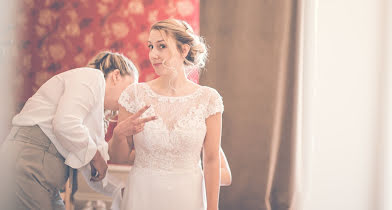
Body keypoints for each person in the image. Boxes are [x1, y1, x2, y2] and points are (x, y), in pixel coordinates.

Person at [0, 51, 156, 209]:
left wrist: (120, 189)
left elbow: (92, 170)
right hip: (30, 164)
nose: (127, 100)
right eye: (129, 89)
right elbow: (64, 124)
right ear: (116, 76)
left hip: (43, 177)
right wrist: (96, 156)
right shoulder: (93, 77)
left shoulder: (95, 115)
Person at [109, 19, 225, 210]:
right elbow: (120, 158)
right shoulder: (134, 95)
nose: (153, 54)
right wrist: (119, 134)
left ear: (184, 50)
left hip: (189, 197)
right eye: (151, 46)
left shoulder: (208, 99)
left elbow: (212, 160)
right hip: (142, 195)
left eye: (161, 46)